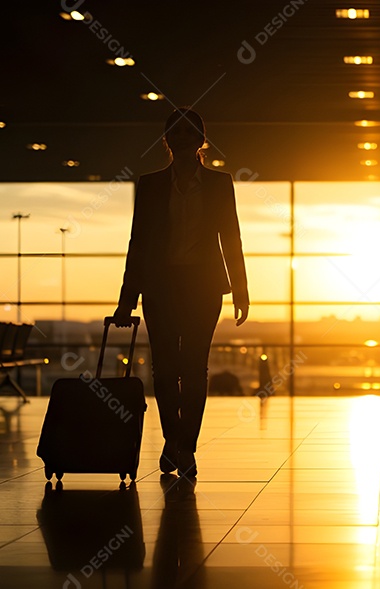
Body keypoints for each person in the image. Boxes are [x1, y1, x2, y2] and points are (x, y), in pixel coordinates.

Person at [112, 108, 249, 479]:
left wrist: (241, 289)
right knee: (165, 369)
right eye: (176, 132)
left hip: (203, 287)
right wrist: (127, 298)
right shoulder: (151, 184)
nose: (183, 138)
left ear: (202, 140)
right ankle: (175, 442)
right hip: (161, 287)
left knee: (193, 369)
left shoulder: (220, 183)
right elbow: (138, 242)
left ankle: (184, 446)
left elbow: (231, 237)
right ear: (167, 140)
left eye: (191, 132)